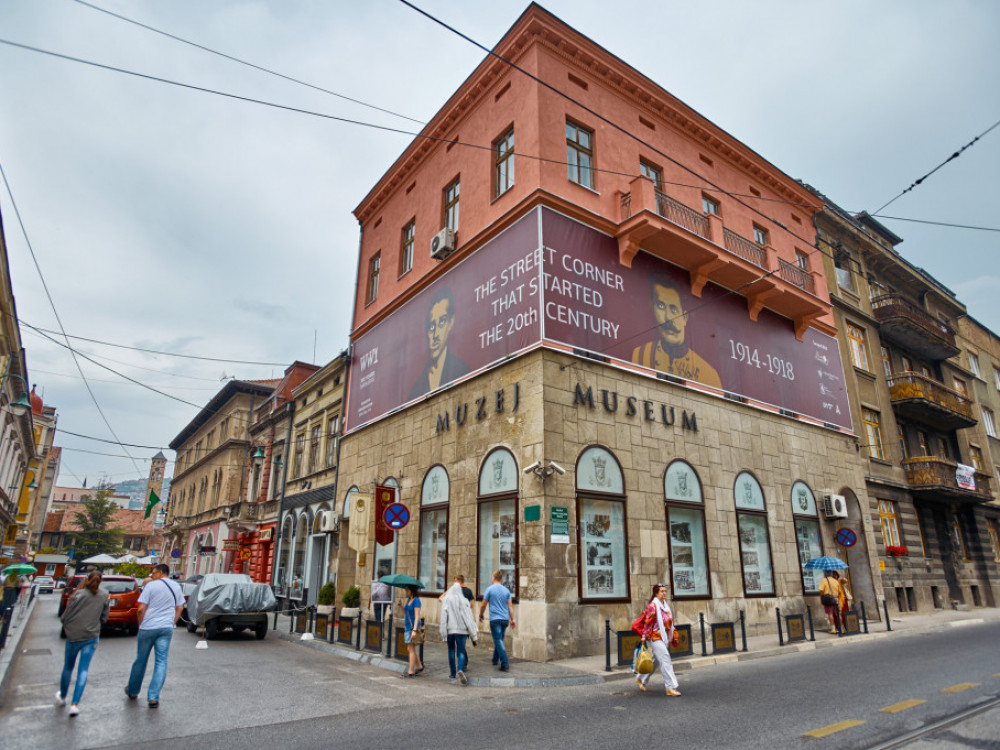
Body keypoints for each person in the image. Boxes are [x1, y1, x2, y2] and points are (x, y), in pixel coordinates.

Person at [631, 273, 722, 387]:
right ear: (652, 309)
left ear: (684, 317)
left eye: (674, 309)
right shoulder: (641, 354)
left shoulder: (709, 374)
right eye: (661, 306)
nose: (668, 318)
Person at [125, 563, 183, 708]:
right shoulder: (176, 586)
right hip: (166, 628)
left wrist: (141, 625)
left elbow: (141, 609)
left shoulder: (150, 586)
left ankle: (133, 690)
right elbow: (180, 607)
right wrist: (172, 622)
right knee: (161, 662)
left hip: (148, 627)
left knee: (141, 660)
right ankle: (153, 697)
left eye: (154, 573)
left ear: (161, 573)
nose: (152, 576)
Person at [56, 571, 109, 717]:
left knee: (68, 667)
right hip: (91, 636)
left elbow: (66, 615)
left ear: (86, 579)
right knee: (83, 669)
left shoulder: (78, 595)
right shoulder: (104, 596)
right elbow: (104, 618)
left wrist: (68, 626)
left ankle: (62, 697)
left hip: (74, 636)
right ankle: (75, 705)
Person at [408, 287, 470, 399]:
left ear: (451, 323)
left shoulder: (462, 370)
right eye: (431, 327)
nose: (435, 335)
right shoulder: (415, 391)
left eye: (442, 322)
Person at [636, 582, 681, 697]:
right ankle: (670, 687)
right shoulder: (653, 605)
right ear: (656, 593)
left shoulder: (665, 606)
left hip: (664, 636)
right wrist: (644, 636)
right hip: (654, 636)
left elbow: (669, 622)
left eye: (665, 591)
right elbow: (647, 622)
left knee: (655, 661)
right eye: (662, 591)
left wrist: (673, 634)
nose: (664, 593)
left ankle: (641, 678)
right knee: (665, 658)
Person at [440, 577, 478, 685]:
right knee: (461, 651)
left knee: (451, 650)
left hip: (450, 629)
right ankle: (460, 669)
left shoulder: (446, 600)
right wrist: (473, 633)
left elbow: (443, 617)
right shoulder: (465, 601)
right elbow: (468, 617)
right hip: (462, 630)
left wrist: (443, 632)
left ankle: (452, 673)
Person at [479, 570, 515, 672]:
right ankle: (495, 660)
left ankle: (505, 664)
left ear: (493, 578)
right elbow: (510, 607)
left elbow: (483, 604)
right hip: (504, 619)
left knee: (498, 640)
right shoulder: (506, 591)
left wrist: (481, 615)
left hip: (495, 619)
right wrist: (513, 619)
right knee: (499, 639)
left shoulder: (489, 589)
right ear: (501, 579)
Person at [400, 584, 424, 678]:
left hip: (412, 627)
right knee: (411, 648)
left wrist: (414, 630)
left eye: (407, 589)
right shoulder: (409, 600)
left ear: (411, 590)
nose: (406, 591)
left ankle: (411, 671)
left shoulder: (416, 600)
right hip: (407, 627)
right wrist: (401, 606)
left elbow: (417, 616)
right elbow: (407, 613)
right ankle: (419, 666)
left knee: (410, 648)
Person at [819, 570, 843, 634]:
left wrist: (821, 598)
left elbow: (821, 590)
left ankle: (833, 629)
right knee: (838, 614)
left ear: (826, 574)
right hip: (836, 598)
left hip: (828, 599)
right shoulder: (835, 581)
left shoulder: (824, 580)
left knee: (830, 613)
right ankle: (841, 628)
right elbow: (839, 592)